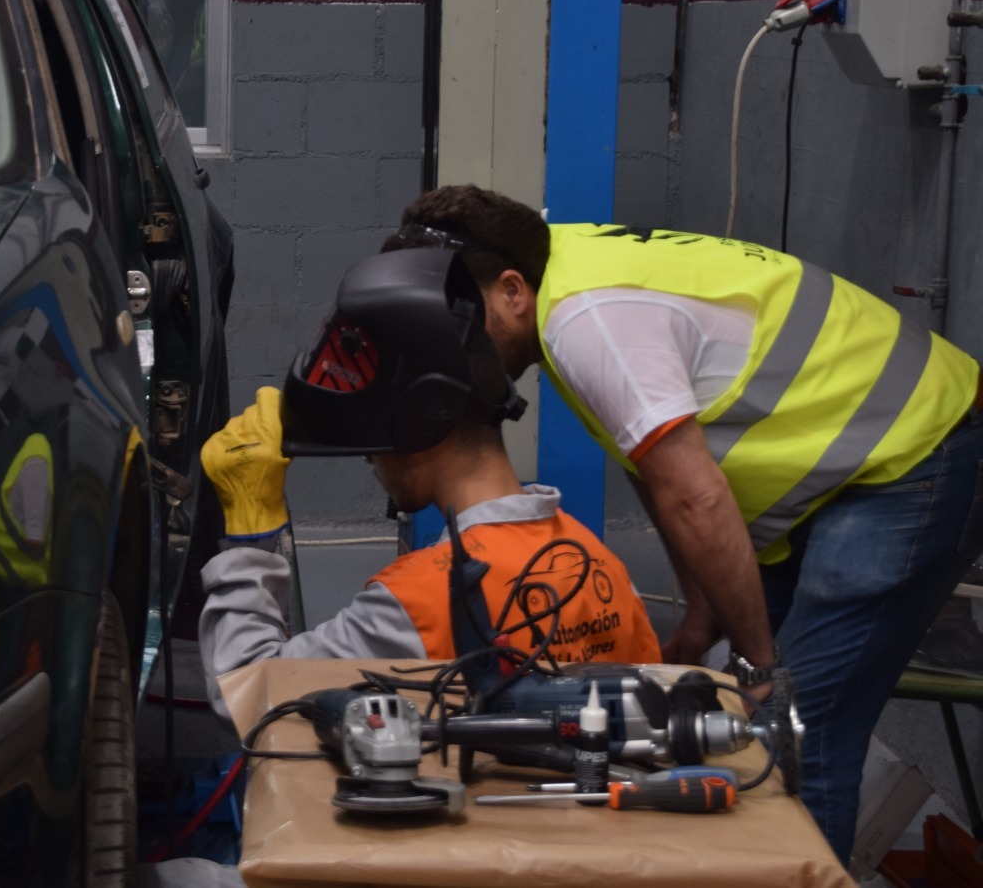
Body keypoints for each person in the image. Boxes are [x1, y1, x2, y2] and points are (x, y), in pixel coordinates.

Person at [397, 184, 983, 861]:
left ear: (510, 290)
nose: (458, 348)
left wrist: (757, 662)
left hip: (917, 450)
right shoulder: (557, 263)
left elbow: (696, 499)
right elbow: (654, 467)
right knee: (751, 709)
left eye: (463, 321)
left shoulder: (587, 319)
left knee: (797, 727)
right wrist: (704, 617)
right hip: (853, 463)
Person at [196, 248, 660, 722]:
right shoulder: (605, 569)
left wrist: (250, 529)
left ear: (418, 425)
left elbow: (245, 693)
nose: (369, 457)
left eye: (372, 437)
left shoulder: (419, 601)